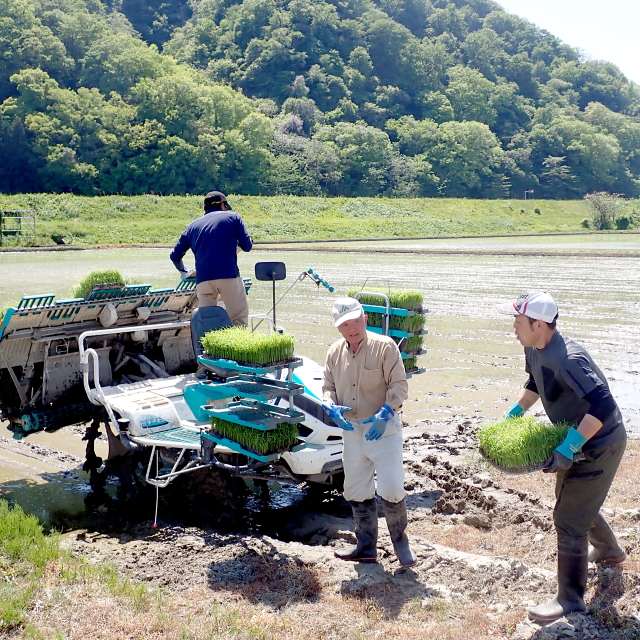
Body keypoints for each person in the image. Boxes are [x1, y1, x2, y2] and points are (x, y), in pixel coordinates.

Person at [497, 290, 627, 624]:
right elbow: (537, 382)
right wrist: (516, 412)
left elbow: (603, 405)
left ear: (538, 324)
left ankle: (570, 600)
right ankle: (610, 552)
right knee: (570, 501)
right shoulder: (534, 348)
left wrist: (569, 446)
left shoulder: (569, 357)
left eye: (518, 320)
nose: (513, 326)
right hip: (580, 438)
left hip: (601, 443)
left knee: (569, 518)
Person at [322, 297, 416, 567]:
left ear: (364, 319)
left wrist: (385, 413)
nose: (351, 328)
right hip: (352, 430)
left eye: (355, 322)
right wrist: (330, 405)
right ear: (338, 328)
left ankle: (400, 543)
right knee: (355, 486)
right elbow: (327, 385)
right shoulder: (334, 352)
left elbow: (399, 385)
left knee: (392, 487)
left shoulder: (384, 347)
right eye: (345, 325)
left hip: (382, 428)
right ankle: (365, 545)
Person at [170, 191, 252, 326]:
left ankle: (208, 347)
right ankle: (236, 347)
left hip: (203, 281)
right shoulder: (233, 217)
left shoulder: (192, 227)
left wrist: (185, 271)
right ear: (223, 205)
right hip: (228, 275)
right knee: (238, 320)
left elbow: (175, 256)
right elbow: (247, 246)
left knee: (208, 323)